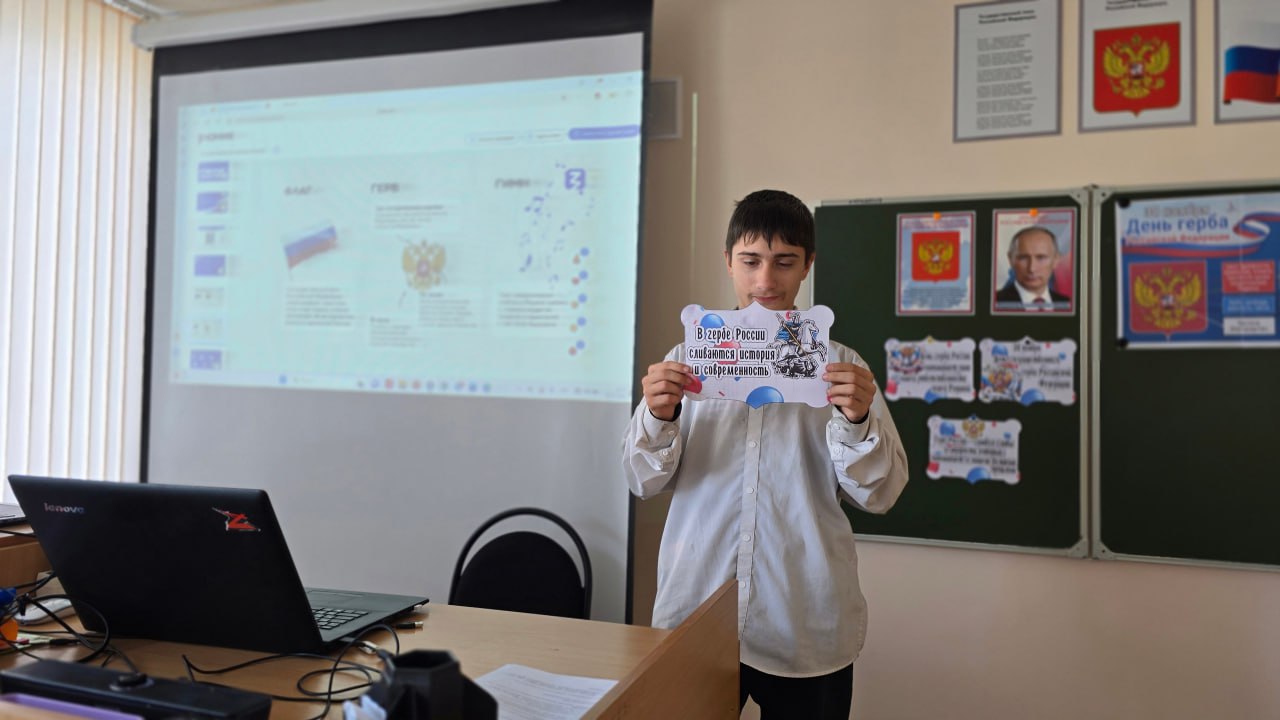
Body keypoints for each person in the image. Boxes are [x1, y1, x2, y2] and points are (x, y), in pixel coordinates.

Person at [621, 189, 908, 719]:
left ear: (808, 266)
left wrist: (856, 421)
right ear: (728, 261)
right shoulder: (687, 360)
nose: (765, 280)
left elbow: (881, 493)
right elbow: (642, 479)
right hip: (695, 613)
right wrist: (660, 415)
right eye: (751, 261)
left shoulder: (842, 368)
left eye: (784, 262)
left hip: (804, 621)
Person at [995, 225, 1070, 310]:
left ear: (1056, 260)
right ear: (1011, 260)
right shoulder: (994, 302)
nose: (1032, 269)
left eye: (1041, 258)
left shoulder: (1067, 303)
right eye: (1023, 258)